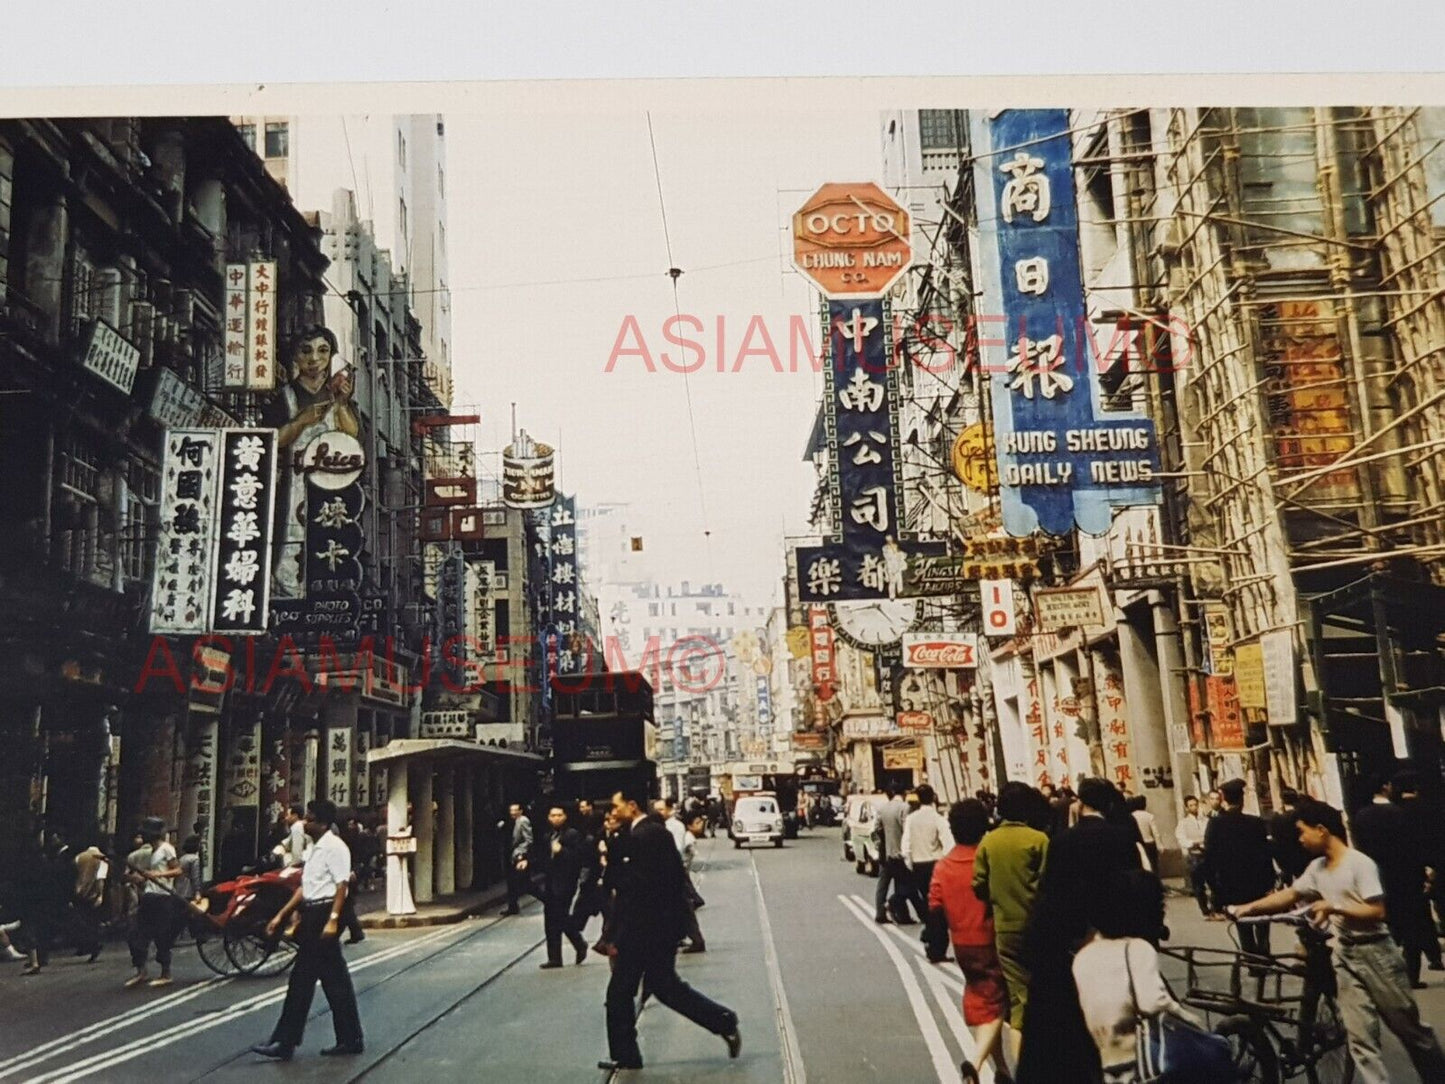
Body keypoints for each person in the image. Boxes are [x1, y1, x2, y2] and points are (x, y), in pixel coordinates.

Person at [1232, 799, 1445, 1084]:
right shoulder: (1317, 868)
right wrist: (1247, 907)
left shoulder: (1359, 864)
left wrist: (1334, 907)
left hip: (1377, 953)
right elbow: (1291, 894)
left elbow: (1377, 911)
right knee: (1361, 1040)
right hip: (1344, 955)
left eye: (1302, 831)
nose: (1300, 839)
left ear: (1321, 830)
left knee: (1411, 1032)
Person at [599, 785, 741, 1073]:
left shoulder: (645, 836)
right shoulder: (645, 834)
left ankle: (626, 1056)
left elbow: (639, 888)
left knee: (620, 993)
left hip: (644, 931)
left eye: (617, 806)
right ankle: (723, 1021)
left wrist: (618, 934)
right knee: (665, 988)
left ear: (633, 805)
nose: (614, 812)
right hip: (656, 930)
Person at [1016, 777, 1142, 1084]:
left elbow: (1051, 893)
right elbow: (1136, 888)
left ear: (1080, 804)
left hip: (1069, 941)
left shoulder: (1062, 842)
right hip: (1115, 939)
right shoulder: (1121, 838)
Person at [1073, 870, 1215, 1084]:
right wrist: (1195, 1024)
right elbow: (1154, 1002)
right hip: (1144, 1062)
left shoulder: (1083, 956)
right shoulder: (1138, 949)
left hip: (1106, 1061)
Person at [250, 799, 365, 1062]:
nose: (305, 822)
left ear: (323, 822)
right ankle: (349, 1038)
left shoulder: (335, 848)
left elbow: (341, 886)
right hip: (313, 912)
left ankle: (285, 1041)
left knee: (303, 980)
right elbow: (305, 888)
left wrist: (334, 920)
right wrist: (283, 915)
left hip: (325, 913)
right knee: (333, 980)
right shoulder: (315, 849)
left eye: (310, 818)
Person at [260, 325, 360, 598]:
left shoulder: (336, 397)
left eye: (322, 351)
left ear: (331, 356)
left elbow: (351, 434)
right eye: (306, 351)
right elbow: (271, 440)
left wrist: (340, 405)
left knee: (324, 539)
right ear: (295, 356)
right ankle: (286, 590)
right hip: (291, 483)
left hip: (331, 483)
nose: (314, 359)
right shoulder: (284, 397)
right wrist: (301, 422)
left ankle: (321, 593)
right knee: (288, 539)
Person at [932, 800, 1014, 1084]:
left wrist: (935, 947)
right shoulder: (988, 858)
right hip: (991, 940)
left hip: (963, 946)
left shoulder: (943, 866)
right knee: (998, 1005)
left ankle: (1002, 1070)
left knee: (983, 1003)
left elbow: (935, 907)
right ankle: (976, 1064)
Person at [973, 781, 1050, 1065]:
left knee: (1018, 1000)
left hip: (1005, 929)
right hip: (1038, 928)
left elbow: (978, 884)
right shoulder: (1038, 840)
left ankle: (1022, 1068)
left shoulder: (988, 842)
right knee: (1044, 990)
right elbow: (1048, 883)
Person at [1352, 773, 1442, 988]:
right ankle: (1412, 976)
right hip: (1407, 878)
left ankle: (1389, 974)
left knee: (1387, 927)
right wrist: (1424, 875)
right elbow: (1414, 848)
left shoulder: (1361, 816)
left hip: (1375, 877)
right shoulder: (1400, 814)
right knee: (1412, 926)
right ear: (1385, 787)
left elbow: (1360, 850)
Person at [1202, 778, 1276, 962]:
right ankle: (1264, 953)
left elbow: (1210, 856)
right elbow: (1266, 853)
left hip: (1231, 882)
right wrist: (1270, 880)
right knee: (1261, 917)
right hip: (1257, 881)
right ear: (1242, 800)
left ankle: (1250, 958)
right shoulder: (1256, 822)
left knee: (1242, 921)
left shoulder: (1216, 824)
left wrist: (1214, 886)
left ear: (1224, 798)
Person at [125, 817, 182, 988]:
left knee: (161, 935)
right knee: (136, 933)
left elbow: (177, 870)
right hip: (149, 896)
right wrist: (139, 878)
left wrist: (156, 876)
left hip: (163, 896)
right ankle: (141, 970)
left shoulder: (167, 849)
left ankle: (166, 973)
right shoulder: (151, 852)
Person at [903, 784, 955, 962]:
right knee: (940, 906)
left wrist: (909, 862)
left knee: (928, 903)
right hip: (935, 863)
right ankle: (936, 944)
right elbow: (948, 844)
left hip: (918, 865)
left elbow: (906, 844)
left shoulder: (911, 819)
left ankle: (930, 936)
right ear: (933, 797)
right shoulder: (937, 819)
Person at [538, 805, 589, 969]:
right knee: (550, 919)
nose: (556, 818)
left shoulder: (572, 835)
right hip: (550, 883)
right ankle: (555, 957)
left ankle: (579, 943)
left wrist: (561, 851)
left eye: (559, 815)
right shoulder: (547, 836)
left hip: (566, 883)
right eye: (552, 815)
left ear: (565, 817)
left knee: (560, 916)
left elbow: (578, 858)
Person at [873, 787, 915, 925]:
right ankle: (901, 914)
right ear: (903, 794)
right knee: (902, 884)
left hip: (885, 852)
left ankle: (880, 913)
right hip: (900, 852)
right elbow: (906, 829)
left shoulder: (883, 808)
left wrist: (881, 845)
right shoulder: (905, 808)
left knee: (883, 884)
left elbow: (876, 829)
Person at [1174, 794, 1213, 919]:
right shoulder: (1183, 823)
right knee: (1198, 885)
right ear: (1186, 808)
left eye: (1195, 804)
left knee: (1214, 882)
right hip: (1195, 856)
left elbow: (1210, 837)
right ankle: (1205, 910)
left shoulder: (1206, 820)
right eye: (1191, 805)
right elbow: (1182, 839)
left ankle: (1215, 907)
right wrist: (1194, 843)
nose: (1194, 807)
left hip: (1208, 854)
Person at [71, 839, 109, 962]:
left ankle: (86, 945)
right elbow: (100, 878)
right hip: (93, 894)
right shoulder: (101, 859)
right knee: (93, 921)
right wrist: (100, 895)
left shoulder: (79, 857)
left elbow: (74, 876)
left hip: (79, 893)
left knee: (81, 920)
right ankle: (94, 945)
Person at [500, 802, 540, 916]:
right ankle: (513, 906)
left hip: (520, 857)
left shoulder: (523, 821)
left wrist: (521, 853)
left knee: (525, 883)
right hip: (511, 856)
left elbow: (529, 840)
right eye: (511, 810)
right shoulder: (511, 821)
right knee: (511, 882)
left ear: (520, 811)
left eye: (515, 810)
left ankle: (547, 900)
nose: (513, 812)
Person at [1269, 787, 1311, 887]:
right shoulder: (1302, 815)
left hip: (1286, 856)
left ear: (1282, 800)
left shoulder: (1276, 819)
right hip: (1303, 853)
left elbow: (1275, 837)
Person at [679, 811, 708, 954]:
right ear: (689, 825)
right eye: (697, 823)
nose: (701, 825)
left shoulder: (688, 835)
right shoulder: (688, 836)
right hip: (681, 870)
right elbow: (688, 849)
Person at [1128, 795, 1159, 874]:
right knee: (1153, 864)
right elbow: (1155, 832)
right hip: (1150, 842)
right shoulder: (1149, 816)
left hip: (1138, 844)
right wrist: (1159, 844)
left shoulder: (1132, 816)